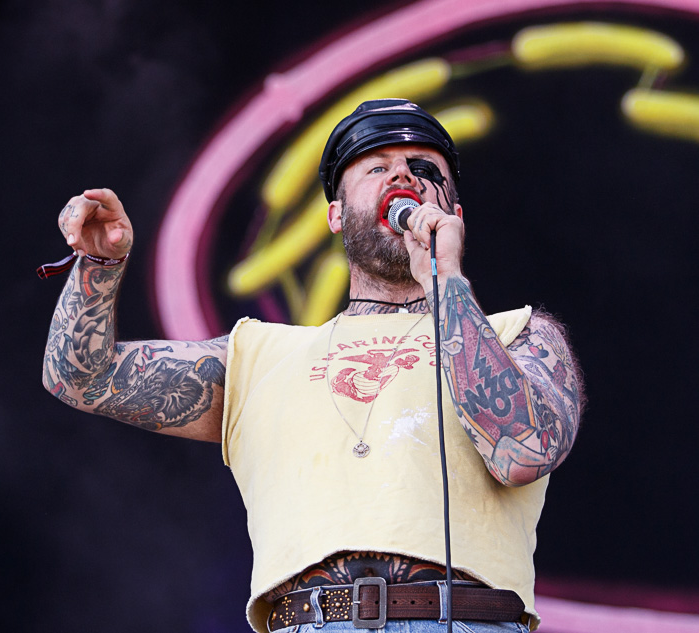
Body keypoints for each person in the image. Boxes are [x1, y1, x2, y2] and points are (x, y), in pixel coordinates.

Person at [42, 99, 583, 632]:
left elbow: (524, 451)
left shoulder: (518, 335)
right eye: (376, 167)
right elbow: (80, 377)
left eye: (424, 168)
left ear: (456, 217)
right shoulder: (260, 355)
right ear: (336, 215)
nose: (403, 175)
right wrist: (99, 265)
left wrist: (446, 282)